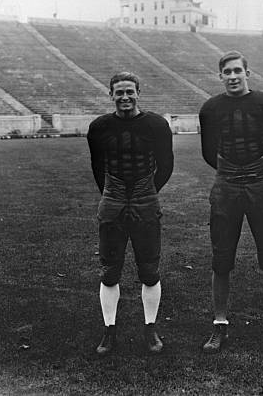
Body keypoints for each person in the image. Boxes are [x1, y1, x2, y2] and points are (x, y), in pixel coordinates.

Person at [199, 51, 263, 355]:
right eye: (226, 72)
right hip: (226, 186)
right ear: (220, 76)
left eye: (237, 70)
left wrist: (260, 172)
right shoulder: (211, 108)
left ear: (247, 73)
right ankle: (219, 325)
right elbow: (207, 151)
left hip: (260, 185)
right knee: (221, 258)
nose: (232, 76)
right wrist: (232, 173)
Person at [87, 72, 173, 355]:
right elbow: (98, 167)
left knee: (149, 269)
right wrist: (112, 194)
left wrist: (146, 191)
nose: (125, 97)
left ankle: (150, 329)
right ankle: (109, 330)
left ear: (139, 92)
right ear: (110, 94)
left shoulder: (156, 124)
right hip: (112, 200)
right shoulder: (99, 127)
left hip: (145, 199)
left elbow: (166, 165)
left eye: (130, 91)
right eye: (119, 92)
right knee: (110, 270)